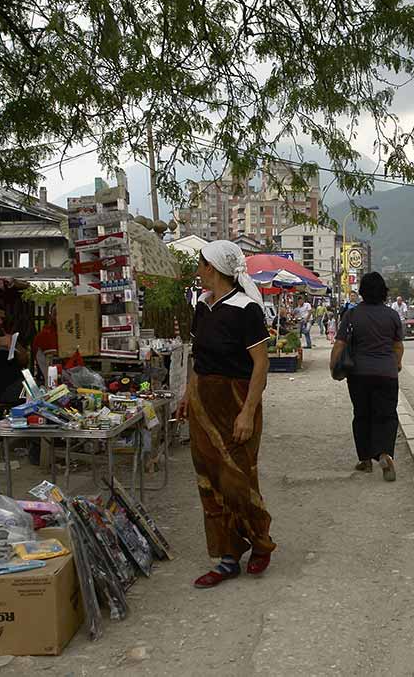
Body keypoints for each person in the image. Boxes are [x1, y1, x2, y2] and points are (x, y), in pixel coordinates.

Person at [187, 240, 276, 588]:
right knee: (209, 479)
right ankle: (225, 558)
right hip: (203, 404)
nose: (197, 270)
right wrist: (188, 395)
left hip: (237, 402)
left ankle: (259, 542)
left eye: (200, 264)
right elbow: (198, 360)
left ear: (213, 268)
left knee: (238, 479)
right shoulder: (201, 306)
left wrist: (247, 413)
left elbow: (261, 365)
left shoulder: (246, 309)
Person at [330, 272, 403, 482]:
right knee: (387, 415)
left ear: (362, 292)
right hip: (387, 374)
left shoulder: (352, 315)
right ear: (384, 292)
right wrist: (396, 363)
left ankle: (365, 460)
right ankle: (384, 454)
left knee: (362, 415)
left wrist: (333, 367)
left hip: (359, 374)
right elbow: (398, 346)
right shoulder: (392, 315)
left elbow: (340, 344)